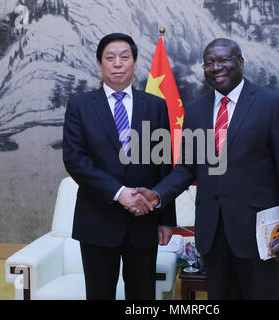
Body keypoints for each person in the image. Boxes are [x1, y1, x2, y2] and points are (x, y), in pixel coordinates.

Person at [134, 38, 279, 299]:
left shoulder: (271, 104)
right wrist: (157, 195)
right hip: (212, 236)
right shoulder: (196, 110)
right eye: (209, 62)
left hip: (259, 237)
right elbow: (187, 168)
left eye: (223, 60)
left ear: (240, 62)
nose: (216, 67)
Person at [62, 33, 176, 300]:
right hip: (97, 221)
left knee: (143, 297)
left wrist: (166, 218)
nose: (117, 63)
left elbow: (164, 164)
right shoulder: (80, 106)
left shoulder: (156, 106)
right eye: (110, 58)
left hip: (144, 221)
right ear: (99, 64)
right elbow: (76, 160)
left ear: (134, 63)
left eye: (124, 57)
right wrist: (119, 193)